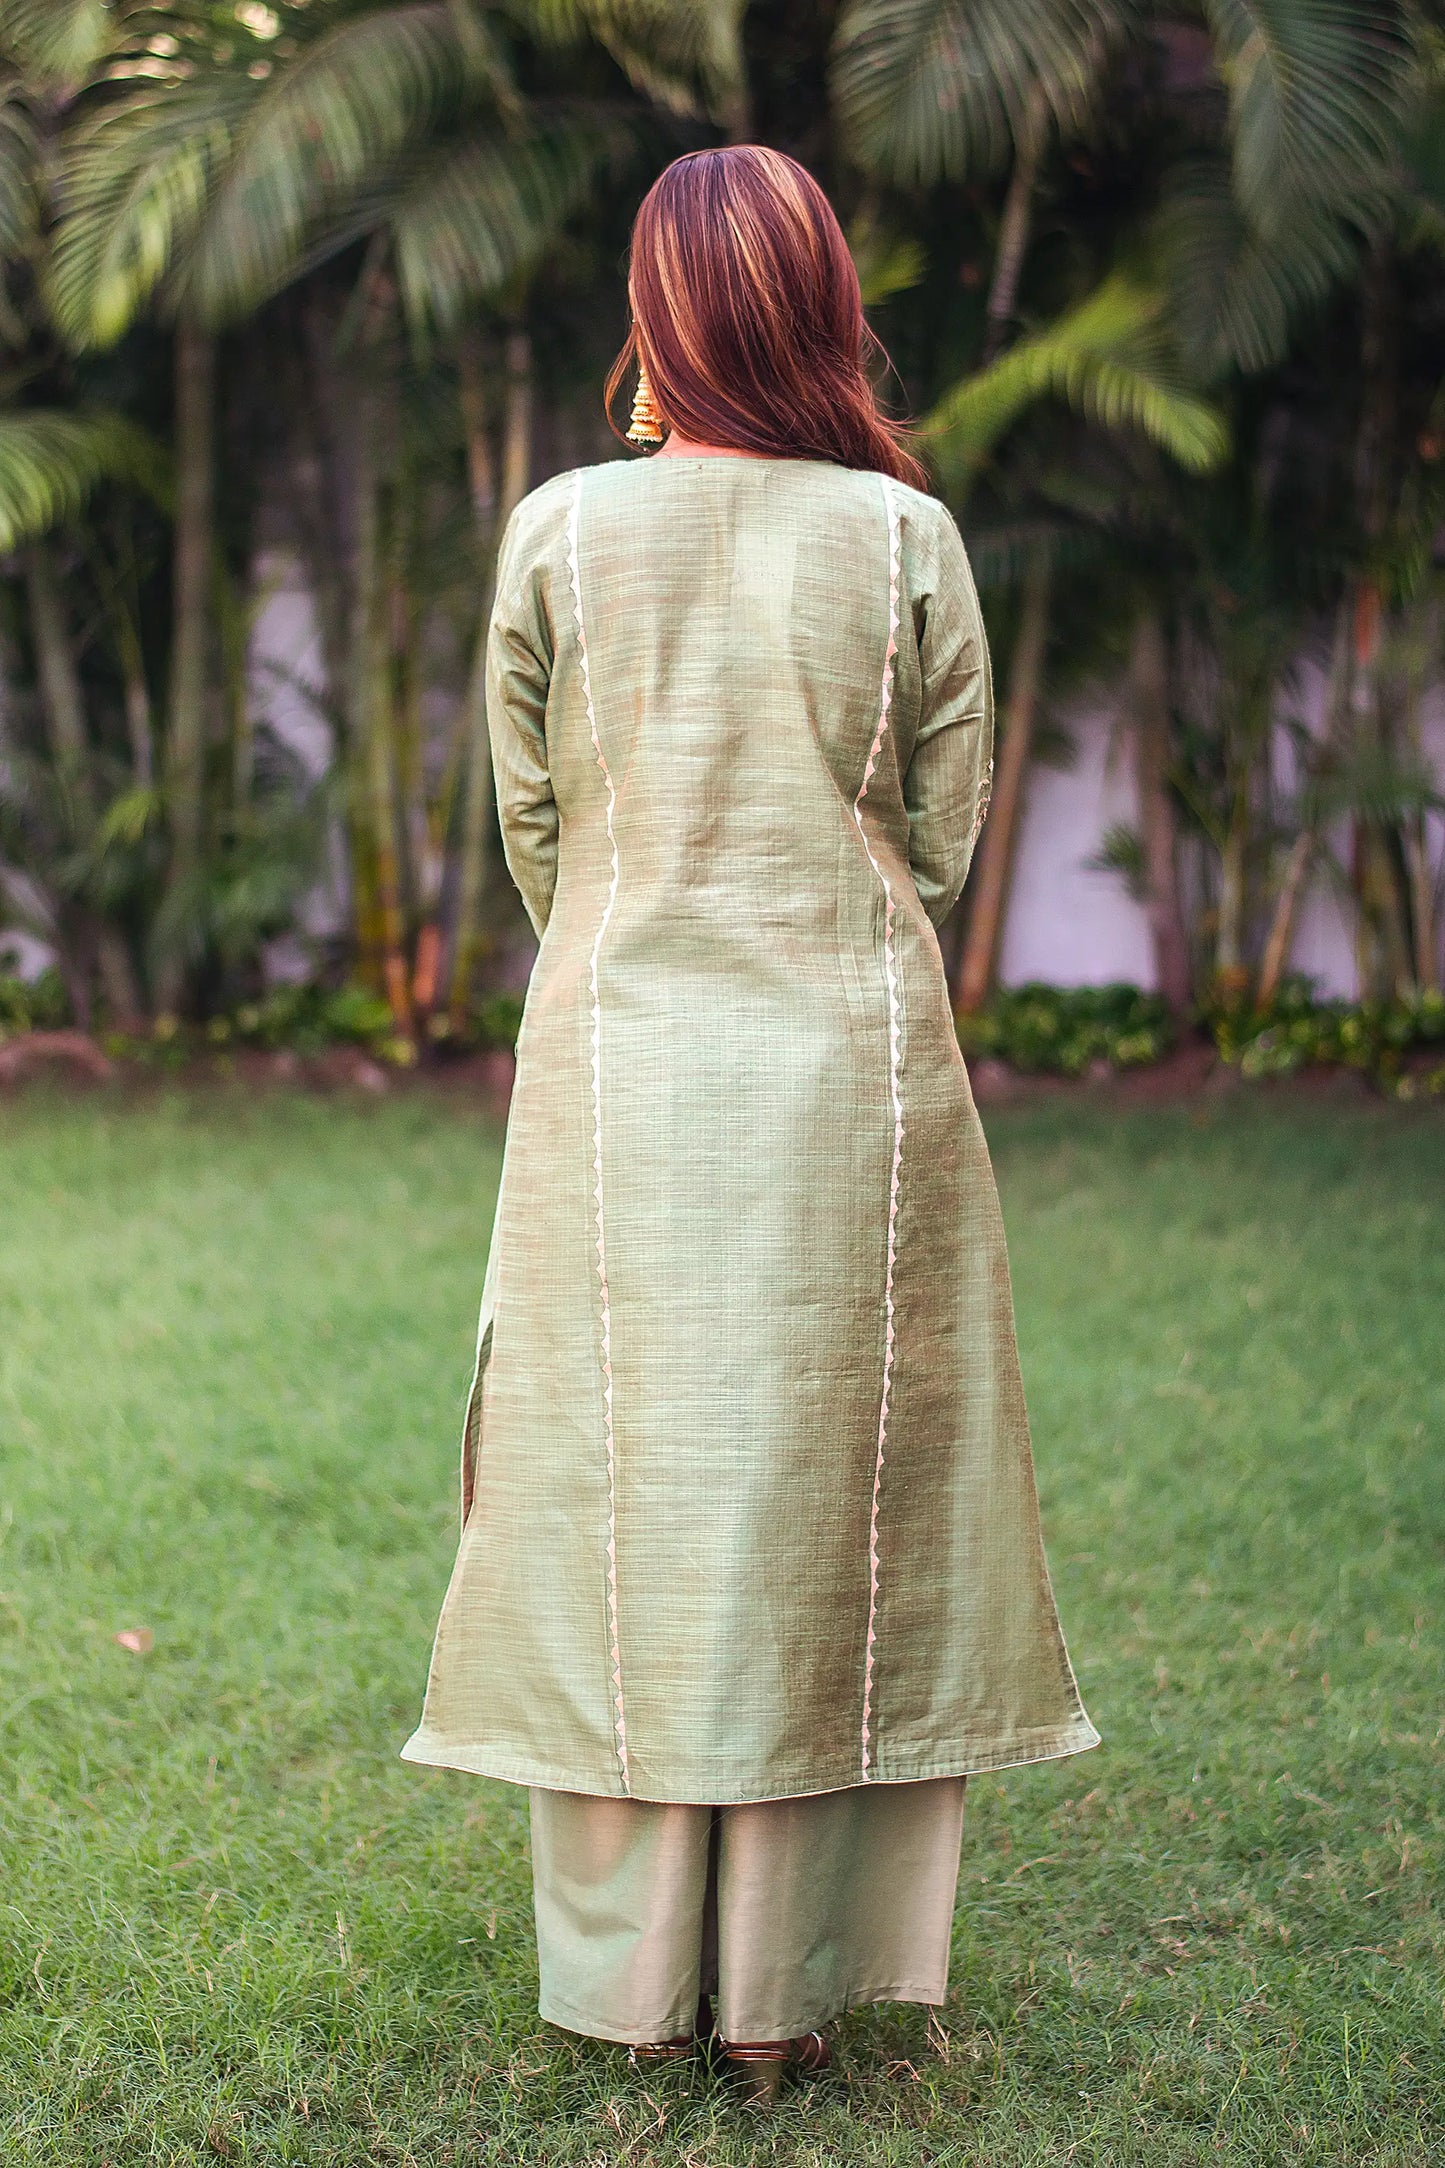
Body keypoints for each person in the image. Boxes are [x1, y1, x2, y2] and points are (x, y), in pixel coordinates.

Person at [402, 143, 1098, 2101]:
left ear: (656, 315)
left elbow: (535, 825)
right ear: (818, 307)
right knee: (821, 1512)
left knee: (624, 1502)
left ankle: (633, 1993)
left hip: (617, 1078)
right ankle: (789, 1996)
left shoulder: (555, 530)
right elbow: (943, 836)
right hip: (849, 1086)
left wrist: (632, 945)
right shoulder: (904, 542)